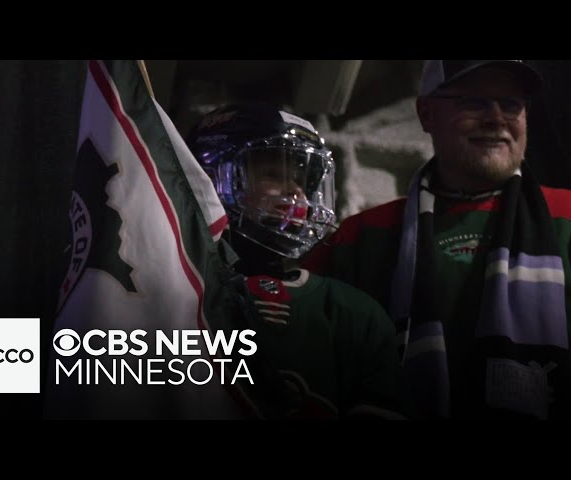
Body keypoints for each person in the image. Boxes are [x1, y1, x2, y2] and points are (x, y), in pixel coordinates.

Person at [303, 60, 571, 420]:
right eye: (474, 102)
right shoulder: (361, 237)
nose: (497, 118)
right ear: (426, 113)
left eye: (511, 104)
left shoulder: (567, 217)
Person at [186, 102, 409, 419]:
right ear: (211, 178)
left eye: (302, 182)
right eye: (273, 174)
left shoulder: (352, 313)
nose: (295, 193)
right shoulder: (178, 288)